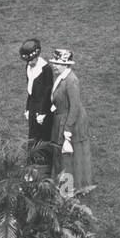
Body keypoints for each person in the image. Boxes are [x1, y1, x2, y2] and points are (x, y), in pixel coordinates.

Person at [47, 49, 92, 193]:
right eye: (54, 63)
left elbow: (75, 107)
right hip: (62, 117)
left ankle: (69, 188)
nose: (54, 65)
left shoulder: (71, 81)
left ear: (66, 65)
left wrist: (68, 129)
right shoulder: (61, 77)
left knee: (68, 155)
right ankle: (64, 185)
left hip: (71, 121)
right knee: (62, 154)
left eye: (58, 63)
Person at [20, 39, 55, 144]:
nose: (29, 63)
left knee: (43, 136)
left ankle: (44, 160)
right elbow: (30, 90)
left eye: (32, 60)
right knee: (32, 134)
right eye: (28, 61)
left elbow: (48, 92)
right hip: (32, 105)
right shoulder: (28, 67)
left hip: (43, 106)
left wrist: (43, 112)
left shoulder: (46, 69)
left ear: (37, 57)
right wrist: (27, 108)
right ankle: (32, 159)